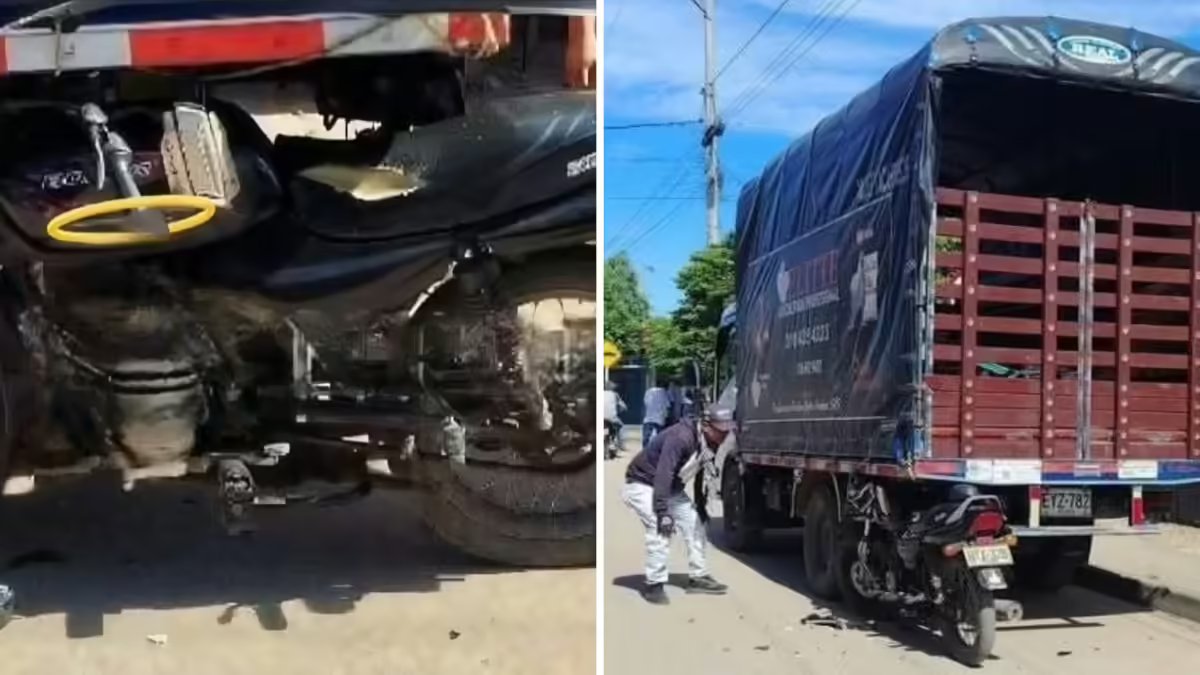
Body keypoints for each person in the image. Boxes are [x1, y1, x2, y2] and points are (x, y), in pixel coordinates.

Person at [622, 404, 733, 605]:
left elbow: (700, 470)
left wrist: (700, 503)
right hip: (644, 484)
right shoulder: (681, 437)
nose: (725, 435)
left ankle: (698, 578)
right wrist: (663, 511)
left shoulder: (709, 440)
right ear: (707, 426)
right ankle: (654, 585)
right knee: (661, 529)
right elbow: (664, 473)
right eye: (721, 430)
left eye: (727, 430)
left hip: (671, 488)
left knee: (695, 526)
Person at [642, 380, 670, 448]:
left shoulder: (648, 391)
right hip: (659, 419)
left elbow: (645, 403)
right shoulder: (664, 393)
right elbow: (668, 406)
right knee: (659, 439)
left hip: (648, 418)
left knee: (646, 438)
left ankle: (644, 453)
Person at [603, 381, 627, 457]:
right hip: (611, 418)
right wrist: (620, 410)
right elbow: (623, 407)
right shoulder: (615, 394)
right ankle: (621, 445)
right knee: (621, 427)